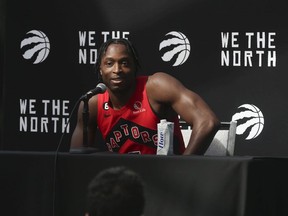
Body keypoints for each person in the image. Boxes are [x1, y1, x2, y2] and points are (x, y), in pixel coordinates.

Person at [70, 38, 220, 155]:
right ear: (100, 69)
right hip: (123, 185)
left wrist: (183, 167)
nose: (117, 70)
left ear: (135, 67)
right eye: (109, 63)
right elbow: (75, 159)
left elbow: (207, 121)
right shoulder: (91, 104)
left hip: (168, 180)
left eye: (124, 63)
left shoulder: (156, 86)